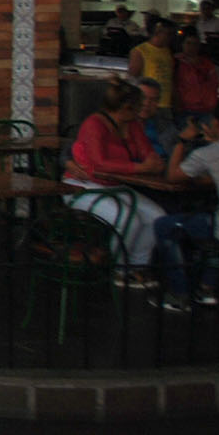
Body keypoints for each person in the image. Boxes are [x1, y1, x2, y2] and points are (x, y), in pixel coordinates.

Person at [64, 78, 168, 287]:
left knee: (158, 217)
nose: (142, 110)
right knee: (127, 219)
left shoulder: (133, 125)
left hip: (115, 186)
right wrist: (141, 167)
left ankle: (138, 266)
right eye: (138, 106)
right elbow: (99, 164)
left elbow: (147, 153)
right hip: (82, 187)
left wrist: (152, 162)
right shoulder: (94, 124)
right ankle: (119, 269)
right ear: (126, 107)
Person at [154, 96, 219, 310]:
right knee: (210, 220)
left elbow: (172, 176)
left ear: (216, 123)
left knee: (164, 225)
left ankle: (179, 294)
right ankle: (207, 288)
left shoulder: (210, 154)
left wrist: (182, 141)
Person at [127, 18, 177, 115]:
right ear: (158, 33)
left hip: (166, 103)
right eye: (168, 34)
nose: (170, 38)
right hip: (147, 105)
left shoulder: (168, 51)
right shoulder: (140, 51)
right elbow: (133, 78)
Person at [174, 28, 219, 129]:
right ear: (182, 44)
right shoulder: (176, 62)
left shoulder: (208, 65)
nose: (191, 47)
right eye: (188, 43)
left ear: (199, 46)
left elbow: (215, 85)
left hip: (206, 111)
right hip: (184, 110)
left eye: (195, 44)